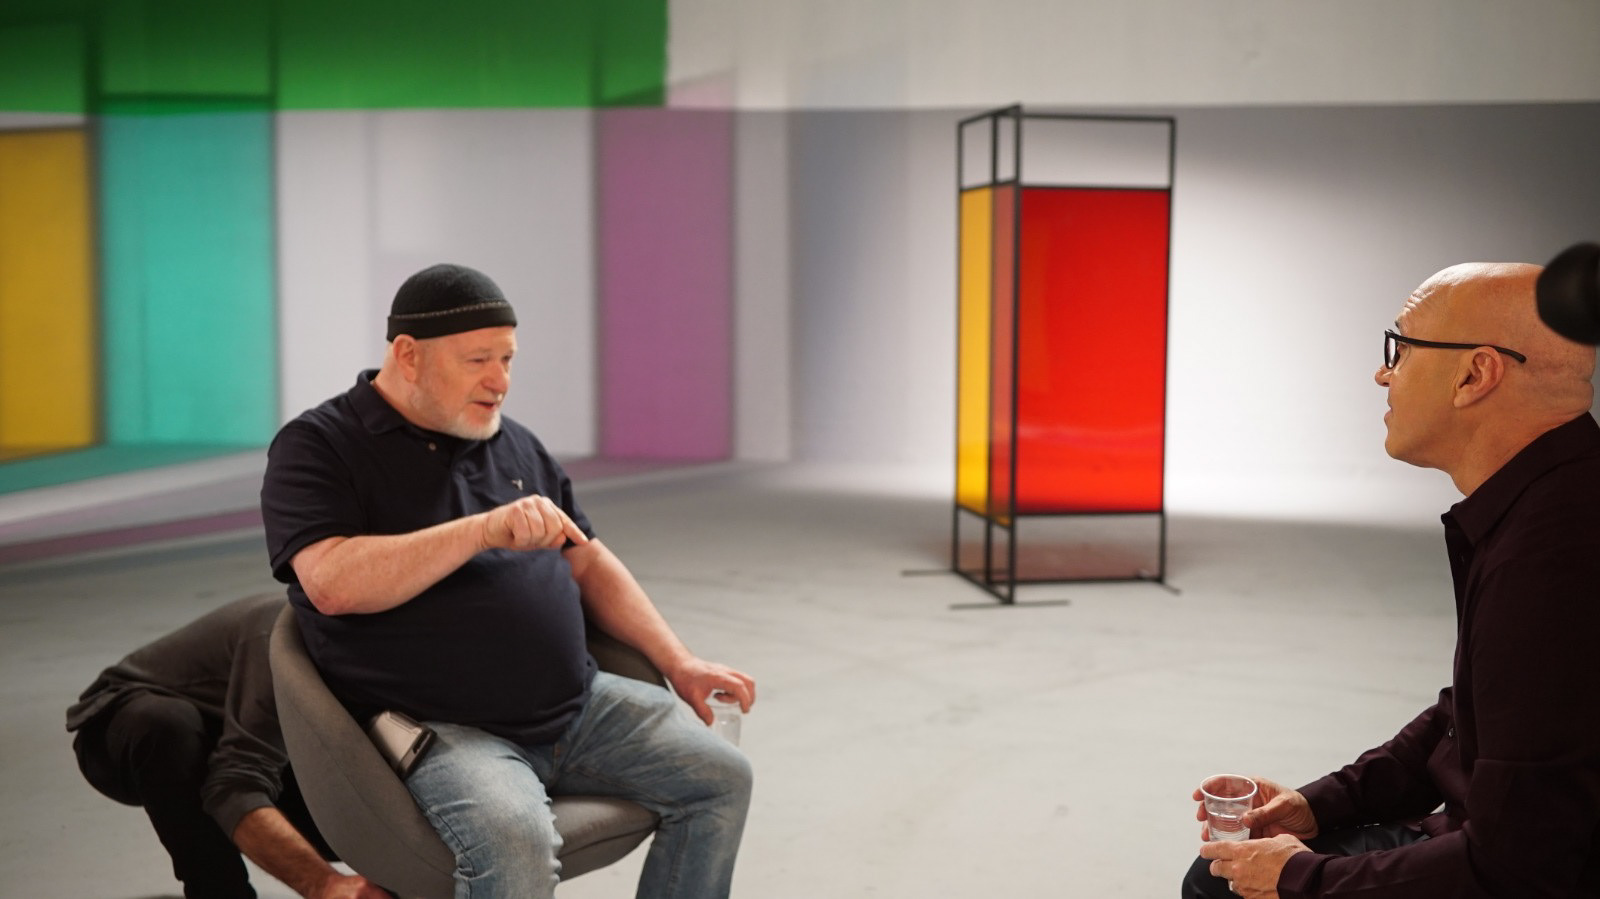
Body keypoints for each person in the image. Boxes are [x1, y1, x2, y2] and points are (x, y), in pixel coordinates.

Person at [259, 263, 755, 899]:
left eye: (507, 359)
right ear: (409, 356)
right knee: (514, 840)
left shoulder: (513, 442)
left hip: (577, 706)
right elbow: (331, 583)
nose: (500, 382)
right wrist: (481, 530)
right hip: (444, 730)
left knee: (721, 777)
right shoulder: (319, 446)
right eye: (477, 361)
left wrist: (679, 662)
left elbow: (587, 561)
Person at [1184, 261, 1600, 898]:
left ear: (1474, 375)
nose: (1383, 374)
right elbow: (1467, 719)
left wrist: (1303, 878)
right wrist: (1320, 804)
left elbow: (1519, 866)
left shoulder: (1553, 562)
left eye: (1400, 349)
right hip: (1492, 845)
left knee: (1221, 887)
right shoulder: (1551, 504)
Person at [67, 593, 387, 899]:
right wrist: (323, 884)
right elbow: (233, 786)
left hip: (247, 732)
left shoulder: (397, 647)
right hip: (120, 731)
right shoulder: (281, 640)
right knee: (167, 725)